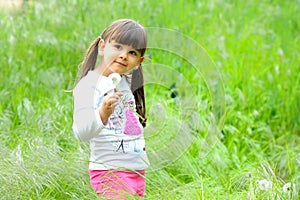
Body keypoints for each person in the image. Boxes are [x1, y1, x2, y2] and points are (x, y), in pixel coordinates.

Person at [72, 19, 149, 199]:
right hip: (109, 170)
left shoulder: (124, 82)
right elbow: (80, 133)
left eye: (132, 52)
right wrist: (102, 113)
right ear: (102, 46)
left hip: (136, 170)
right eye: (118, 47)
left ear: (139, 61)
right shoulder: (88, 86)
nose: (123, 55)